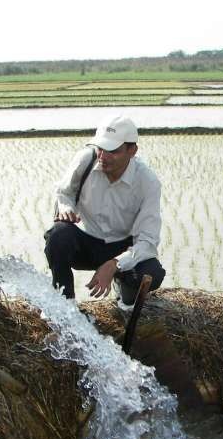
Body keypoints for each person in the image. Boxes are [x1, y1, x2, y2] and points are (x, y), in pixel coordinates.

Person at [44, 114, 166, 309]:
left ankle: (125, 297)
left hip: (122, 247)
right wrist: (66, 208)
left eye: (113, 151)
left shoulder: (147, 182)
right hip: (85, 243)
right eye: (101, 148)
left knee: (151, 272)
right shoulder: (86, 159)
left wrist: (114, 264)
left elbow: (148, 242)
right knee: (58, 236)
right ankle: (64, 306)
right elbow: (63, 192)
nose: (103, 157)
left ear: (132, 150)